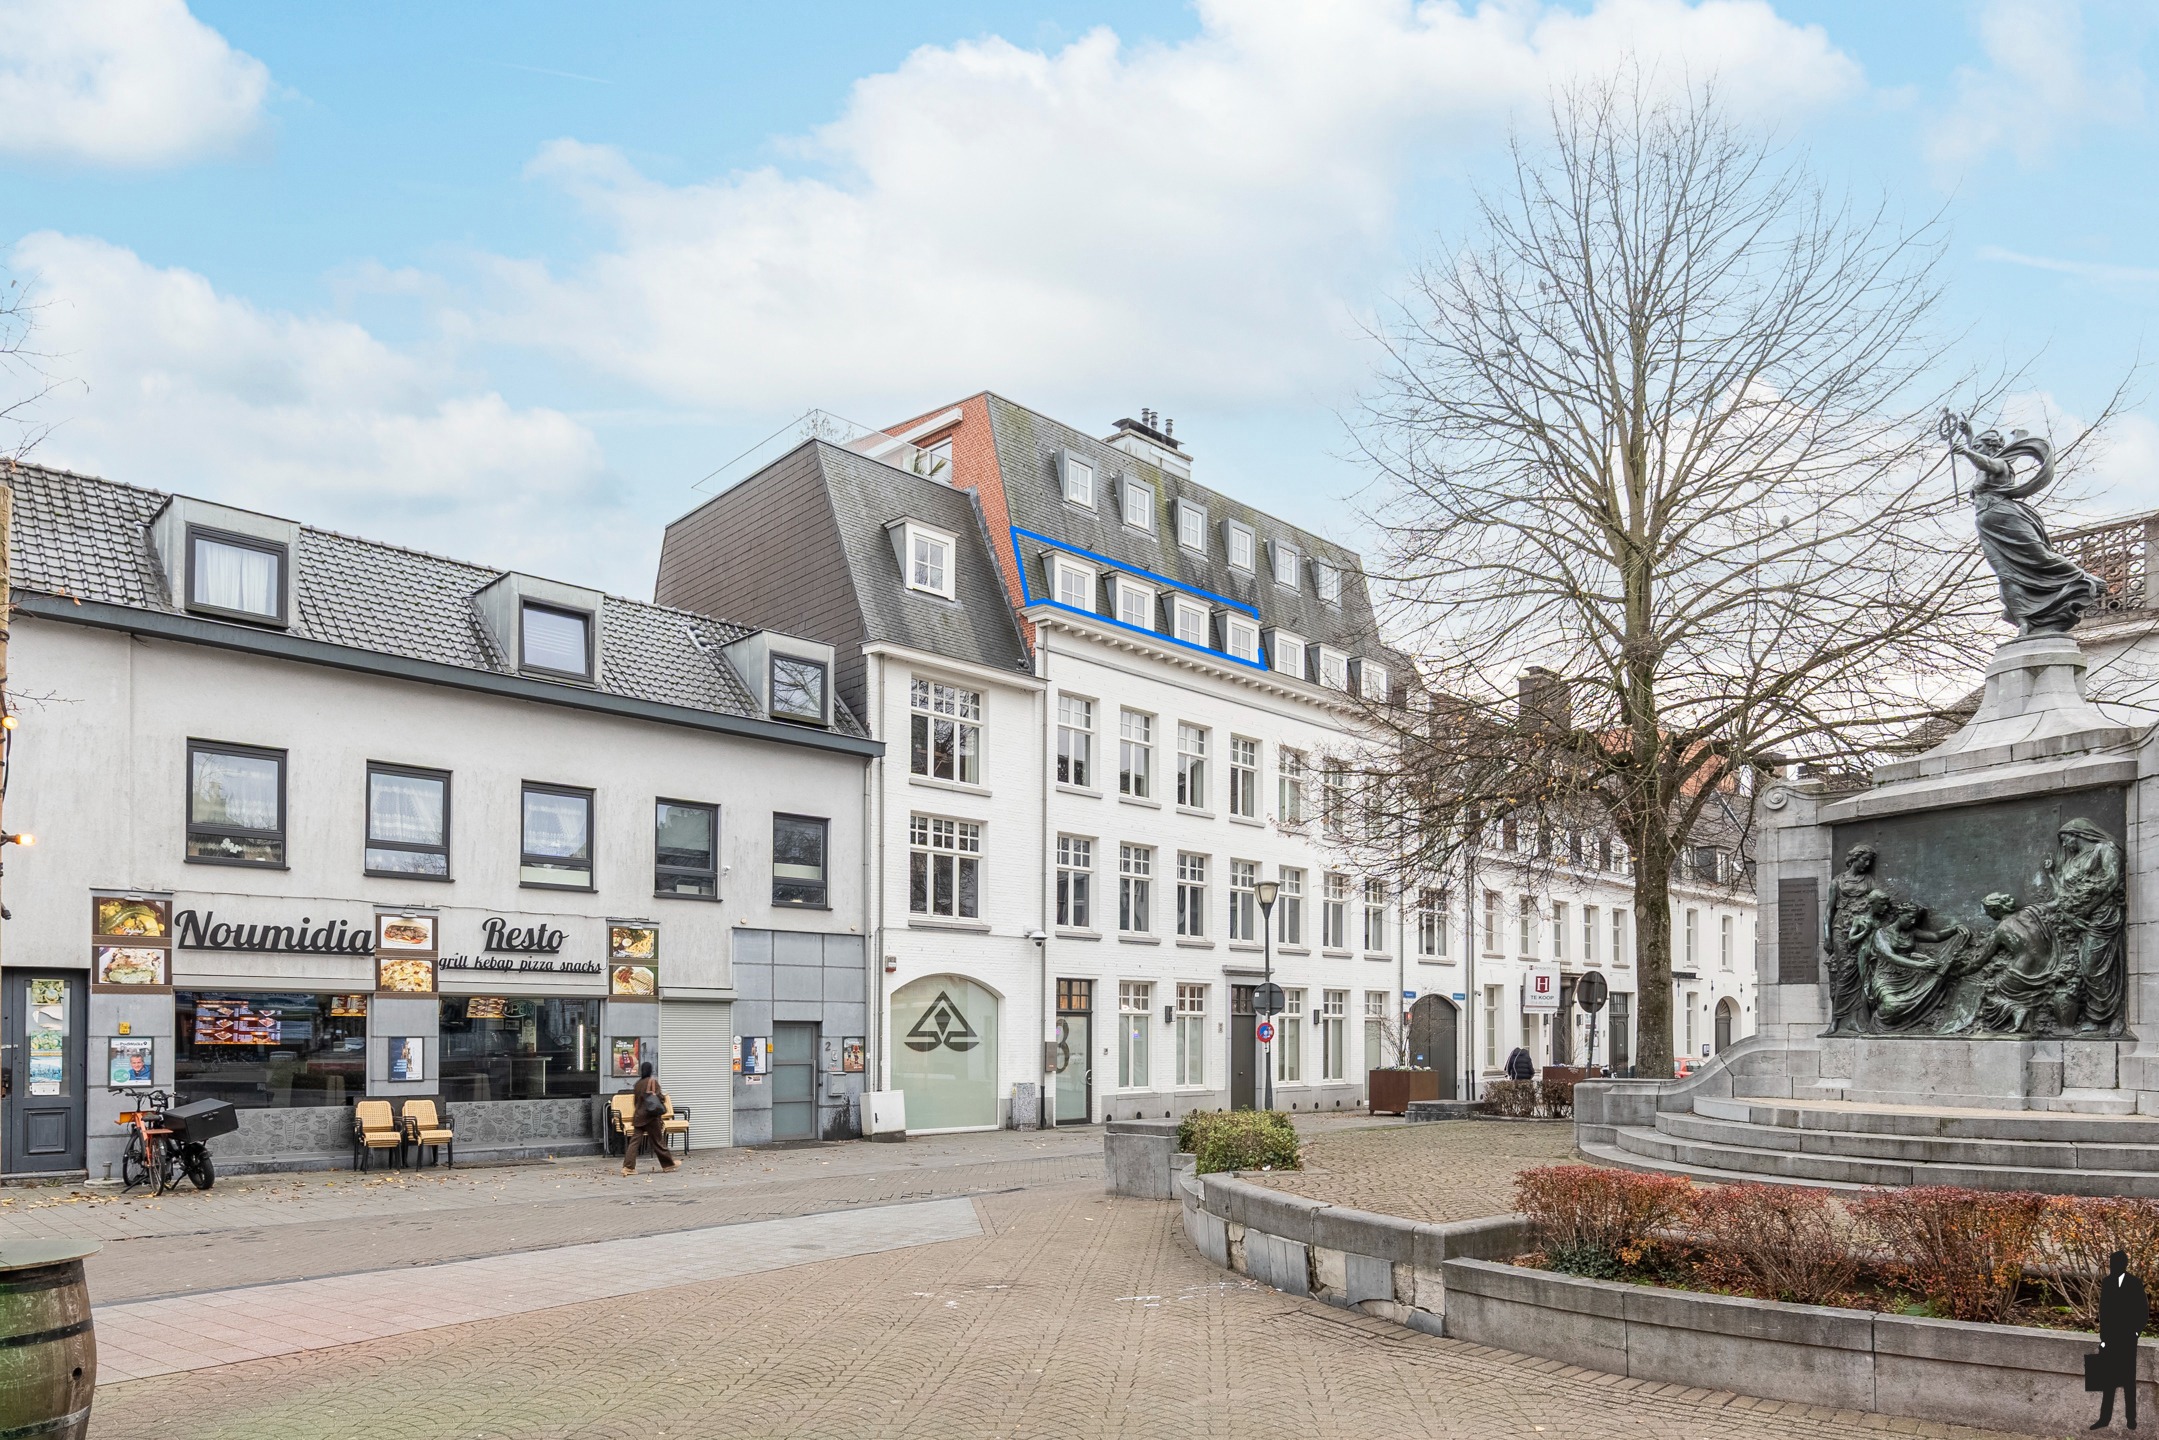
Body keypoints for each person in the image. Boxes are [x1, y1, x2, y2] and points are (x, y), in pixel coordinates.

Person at [2092, 1249, 2146, 1429]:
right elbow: (2104, 1311)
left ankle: (2131, 1419)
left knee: (2129, 1381)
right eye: (2111, 1263)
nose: (2113, 1267)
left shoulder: (2134, 1283)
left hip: (2128, 1340)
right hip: (2111, 1339)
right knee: (2109, 1381)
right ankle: (2104, 1419)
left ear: (2124, 1265)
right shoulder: (2107, 1283)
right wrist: (2104, 1338)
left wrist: (2135, 1333)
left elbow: (2142, 1310)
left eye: (2116, 1264)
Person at [622, 1060, 678, 1176]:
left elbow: (636, 1101)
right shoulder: (652, 1082)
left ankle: (628, 1167)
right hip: (651, 1118)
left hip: (638, 1117)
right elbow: (659, 1098)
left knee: (634, 1142)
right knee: (658, 1141)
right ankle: (668, 1165)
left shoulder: (638, 1084)